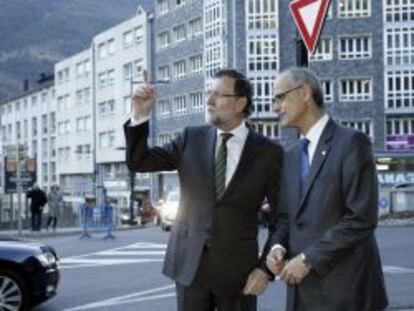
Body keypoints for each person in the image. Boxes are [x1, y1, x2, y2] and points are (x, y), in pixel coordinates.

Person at [124, 69, 283, 311]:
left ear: (241, 103)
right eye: (208, 93)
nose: (209, 101)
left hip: (240, 275)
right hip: (190, 270)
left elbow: (282, 218)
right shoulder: (190, 138)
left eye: (218, 95)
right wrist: (140, 115)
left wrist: (264, 269)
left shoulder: (269, 153)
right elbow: (140, 161)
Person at [266, 67, 388, 311]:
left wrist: (308, 259)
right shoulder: (290, 157)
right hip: (302, 294)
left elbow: (361, 218)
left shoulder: (352, 142)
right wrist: (277, 248)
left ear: (304, 93)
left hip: (347, 294)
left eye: (279, 97)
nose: (275, 108)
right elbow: (285, 218)